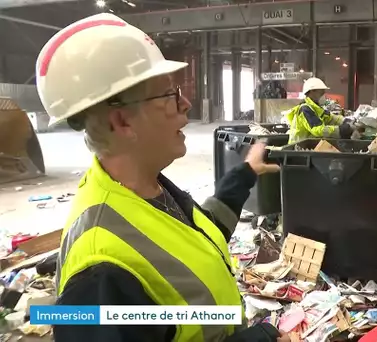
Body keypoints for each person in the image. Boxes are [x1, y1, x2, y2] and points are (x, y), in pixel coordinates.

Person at [36, 13, 288, 342]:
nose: (185, 104)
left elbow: (197, 238)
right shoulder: (100, 269)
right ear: (121, 120)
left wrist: (245, 172)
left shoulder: (144, 189)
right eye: (169, 95)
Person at [285, 77, 357, 143]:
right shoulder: (305, 109)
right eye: (321, 92)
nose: (324, 95)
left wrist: (347, 121)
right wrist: (343, 129)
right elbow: (319, 130)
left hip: (309, 145)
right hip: (299, 149)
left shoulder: (316, 108)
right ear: (312, 91)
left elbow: (331, 118)